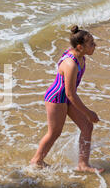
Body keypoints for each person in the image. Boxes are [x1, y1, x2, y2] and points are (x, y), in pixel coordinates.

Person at [30, 25, 104, 173]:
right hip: (57, 98)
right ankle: (36, 161)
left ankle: (83, 165)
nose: (95, 46)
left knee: (87, 127)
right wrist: (88, 112)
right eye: (91, 44)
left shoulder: (80, 55)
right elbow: (70, 94)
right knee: (54, 132)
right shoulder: (71, 64)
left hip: (67, 97)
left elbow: (70, 93)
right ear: (80, 47)